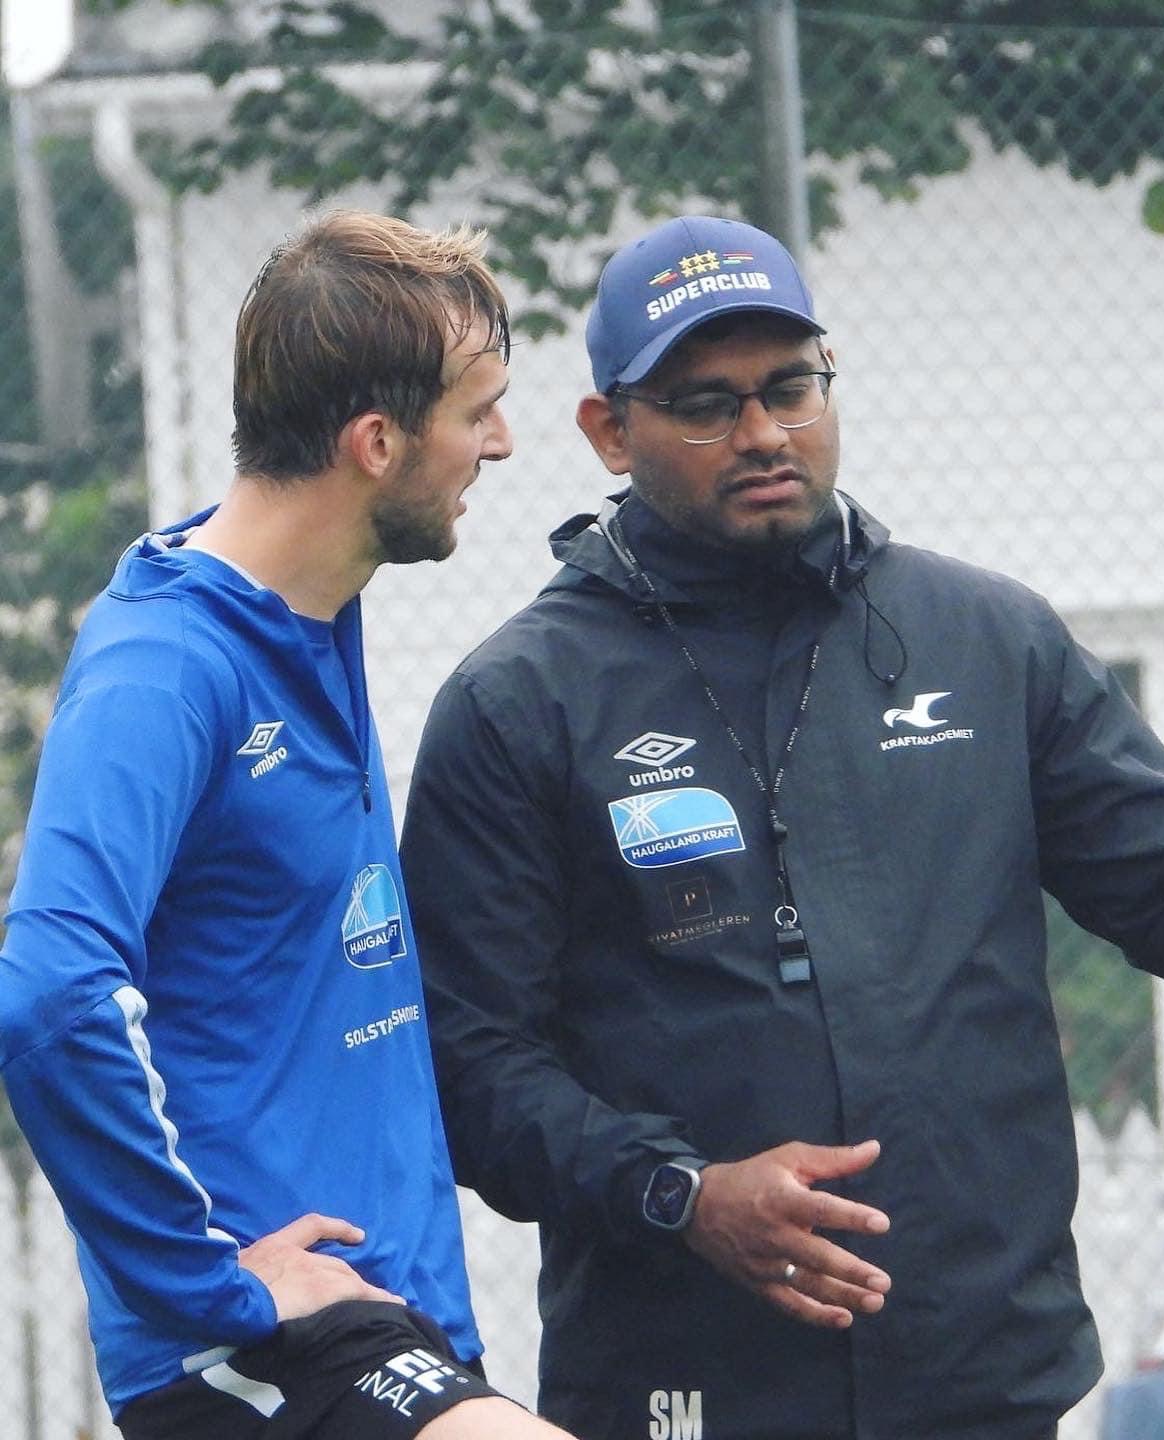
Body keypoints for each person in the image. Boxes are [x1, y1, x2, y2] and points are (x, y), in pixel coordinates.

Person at [398, 214, 1164, 1440]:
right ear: (609, 431)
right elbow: (472, 1063)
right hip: (686, 1377)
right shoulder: (520, 704)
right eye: (707, 406)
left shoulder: (982, 639)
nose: (764, 433)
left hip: (975, 1368)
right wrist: (685, 1194)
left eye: (791, 388)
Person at [0, 211, 577, 1440]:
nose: (501, 443)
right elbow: (50, 995)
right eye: (478, 412)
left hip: (387, 1318)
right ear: (376, 443)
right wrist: (208, 1283)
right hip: (254, 1348)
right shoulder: (166, 670)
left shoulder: (311, 611)